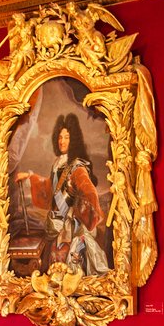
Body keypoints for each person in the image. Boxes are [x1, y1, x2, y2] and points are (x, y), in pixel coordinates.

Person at [15, 113, 111, 275]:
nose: (62, 141)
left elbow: (89, 192)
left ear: (73, 139)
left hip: (72, 225)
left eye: (66, 137)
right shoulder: (58, 163)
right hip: (57, 222)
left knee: (71, 263)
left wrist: (79, 208)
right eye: (60, 137)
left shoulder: (77, 166)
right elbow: (51, 189)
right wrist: (29, 177)